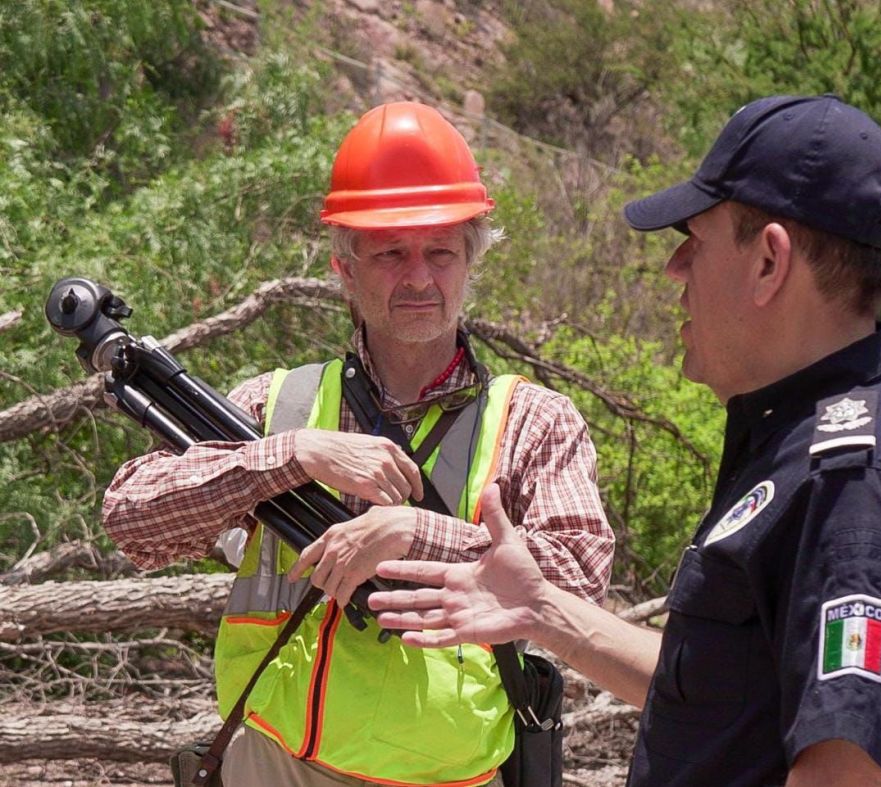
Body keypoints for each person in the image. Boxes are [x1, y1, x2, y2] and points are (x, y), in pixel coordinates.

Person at [369, 94, 881, 787]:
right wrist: (545, 611)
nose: (675, 269)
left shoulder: (857, 485)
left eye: (695, 240)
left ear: (768, 263)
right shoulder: (802, 441)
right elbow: (733, 697)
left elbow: (842, 776)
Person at [102, 101, 614, 787]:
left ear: (471, 260)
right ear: (346, 268)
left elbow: (578, 579)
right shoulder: (280, 406)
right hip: (273, 762)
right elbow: (133, 522)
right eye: (391, 252)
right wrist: (288, 457)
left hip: (447, 778)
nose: (420, 278)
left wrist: (414, 535)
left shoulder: (534, 420)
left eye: (440, 251)